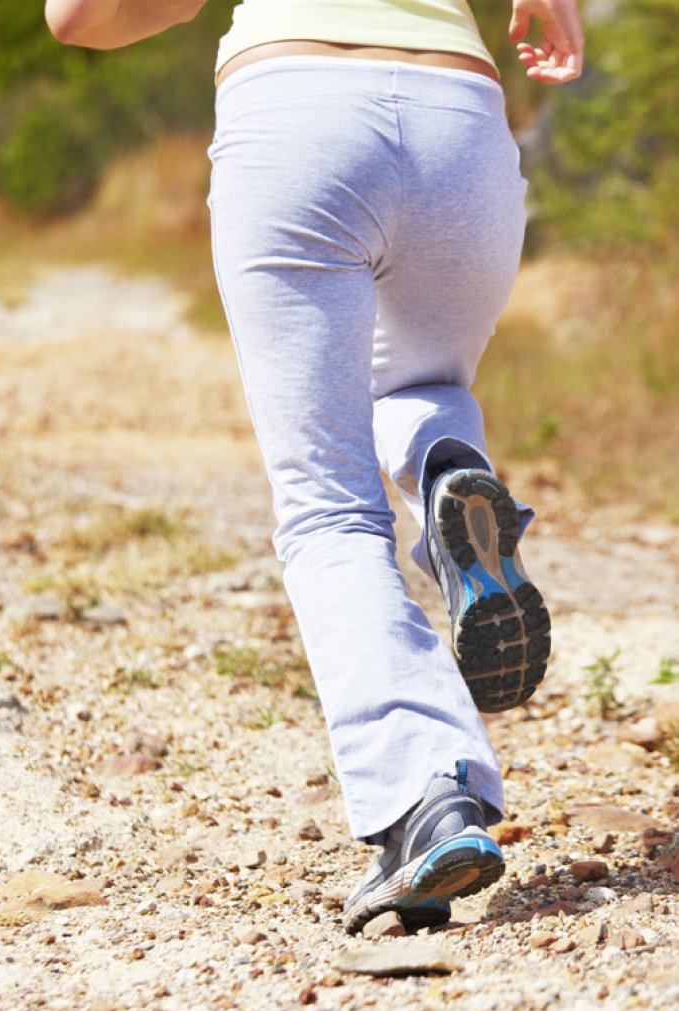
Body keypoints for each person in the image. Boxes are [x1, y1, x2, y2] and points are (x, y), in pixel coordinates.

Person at [46, 0, 584, 933]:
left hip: (296, 108)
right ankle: (445, 469)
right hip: (462, 119)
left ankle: (428, 796)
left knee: (328, 508)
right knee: (422, 380)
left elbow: (78, 16)